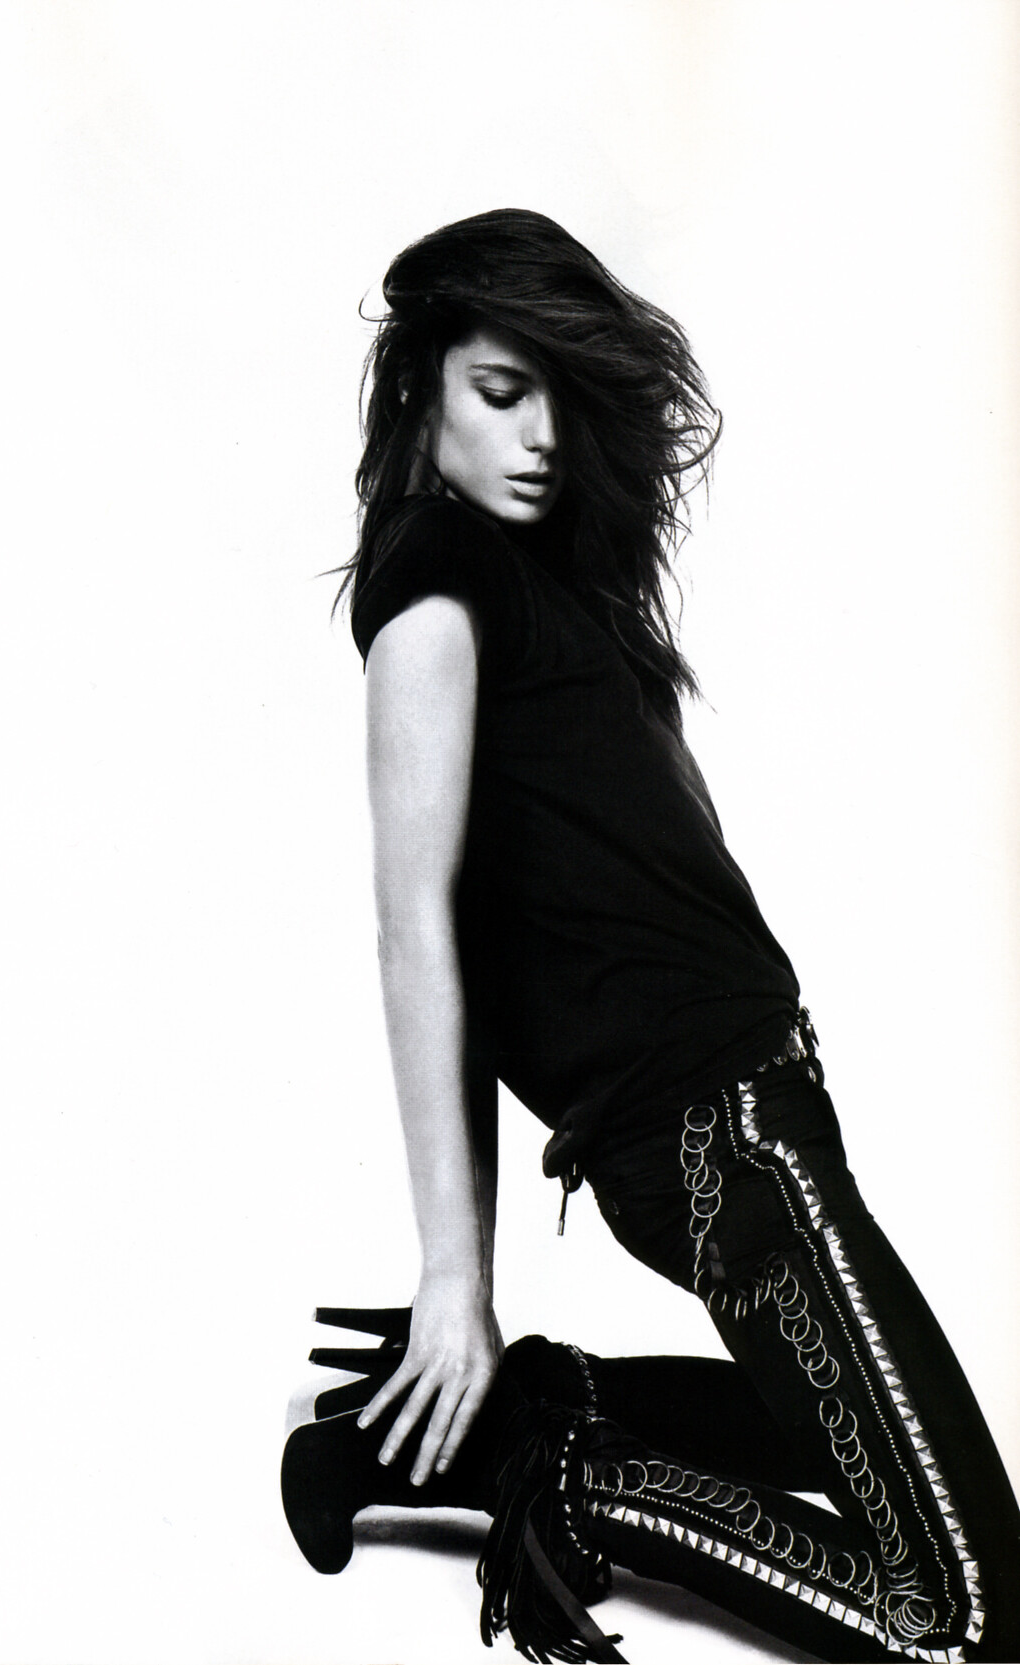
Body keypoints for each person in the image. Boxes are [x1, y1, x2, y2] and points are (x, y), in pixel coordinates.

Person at [281, 209, 1020, 1663]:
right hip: (711, 1140)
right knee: (971, 1610)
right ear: (421, 388)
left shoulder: (559, 589)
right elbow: (419, 930)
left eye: (561, 397)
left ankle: (521, 1413)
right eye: (504, 392)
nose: (542, 435)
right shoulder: (432, 580)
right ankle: (564, 1482)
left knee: (834, 1427)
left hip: (751, 1117)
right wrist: (453, 1273)